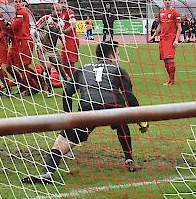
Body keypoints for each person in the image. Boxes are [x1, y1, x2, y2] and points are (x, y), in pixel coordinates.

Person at [22, 41, 146, 184]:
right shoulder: (118, 69)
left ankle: (48, 172)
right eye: (118, 54)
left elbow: (67, 93)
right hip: (113, 107)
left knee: (61, 143)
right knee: (121, 121)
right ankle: (129, 159)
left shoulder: (82, 69)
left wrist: (69, 118)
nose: (118, 57)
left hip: (88, 110)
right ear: (111, 56)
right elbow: (129, 97)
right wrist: (142, 120)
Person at [7, 0, 41, 95]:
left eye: (19, 1)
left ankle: (33, 87)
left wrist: (6, 28)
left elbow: (15, 26)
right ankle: (26, 83)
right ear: (13, 3)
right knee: (9, 66)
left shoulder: (22, 12)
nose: (18, 3)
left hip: (24, 42)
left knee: (23, 67)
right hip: (16, 43)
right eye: (16, 2)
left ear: (23, 3)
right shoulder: (17, 13)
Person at [149, 0, 181, 86]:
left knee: (170, 59)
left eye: (169, 0)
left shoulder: (175, 12)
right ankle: (170, 80)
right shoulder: (161, 12)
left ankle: (172, 81)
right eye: (166, 0)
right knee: (165, 60)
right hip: (163, 39)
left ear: (171, 1)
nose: (167, 1)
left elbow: (179, 28)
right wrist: (154, 35)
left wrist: (176, 40)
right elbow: (160, 25)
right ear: (163, 1)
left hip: (171, 39)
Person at [34, 4, 64, 96]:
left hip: (52, 48)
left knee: (61, 68)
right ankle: (49, 90)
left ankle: (67, 86)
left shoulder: (61, 23)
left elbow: (59, 34)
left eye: (60, 11)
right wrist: (38, 43)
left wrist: (63, 41)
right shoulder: (45, 19)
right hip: (42, 47)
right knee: (47, 67)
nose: (58, 12)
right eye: (56, 10)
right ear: (52, 11)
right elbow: (34, 30)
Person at [58, 0, 80, 80]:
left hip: (71, 40)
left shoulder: (70, 12)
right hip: (66, 41)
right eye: (61, 3)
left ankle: (77, 82)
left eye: (65, 3)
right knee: (64, 63)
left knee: (70, 64)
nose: (63, 4)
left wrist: (62, 32)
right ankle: (75, 81)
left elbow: (73, 25)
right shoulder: (60, 14)